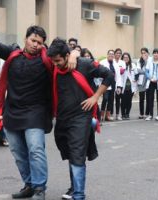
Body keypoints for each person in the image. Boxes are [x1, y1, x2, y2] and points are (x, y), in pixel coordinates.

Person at [0, 3, 79, 199]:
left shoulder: (47, 59)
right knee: (18, 151)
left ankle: (39, 188)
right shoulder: (13, 54)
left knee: (35, 149)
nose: (36, 44)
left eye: (39, 41)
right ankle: (29, 184)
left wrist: (74, 52)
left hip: (36, 112)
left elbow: (69, 53)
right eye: (33, 40)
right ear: (25, 39)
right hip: (12, 112)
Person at [47, 37, 114, 200]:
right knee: (70, 153)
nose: (55, 64)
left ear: (66, 55)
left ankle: (79, 195)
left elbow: (109, 75)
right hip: (63, 118)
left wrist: (95, 97)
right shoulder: (57, 66)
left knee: (77, 154)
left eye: (57, 61)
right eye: (53, 61)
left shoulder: (84, 64)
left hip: (81, 116)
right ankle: (74, 188)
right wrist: (74, 54)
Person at [99, 50, 122, 121]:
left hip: (113, 83)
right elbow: (99, 73)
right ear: (107, 54)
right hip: (105, 82)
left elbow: (118, 76)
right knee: (105, 98)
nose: (111, 55)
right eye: (110, 54)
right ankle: (101, 114)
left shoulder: (116, 64)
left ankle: (107, 115)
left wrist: (119, 86)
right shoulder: (102, 62)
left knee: (111, 99)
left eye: (112, 54)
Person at [145, 48, 158, 121]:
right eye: (155, 53)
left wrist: (157, 79)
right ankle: (150, 115)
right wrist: (150, 78)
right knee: (150, 99)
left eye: (157, 53)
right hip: (151, 81)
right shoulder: (149, 61)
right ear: (153, 54)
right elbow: (146, 71)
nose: (156, 54)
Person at [135, 47, 151, 119]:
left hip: (148, 80)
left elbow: (150, 69)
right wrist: (146, 71)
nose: (143, 54)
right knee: (141, 98)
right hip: (141, 80)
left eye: (145, 53)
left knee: (148, 98)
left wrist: (146, 61)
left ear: (148, 53)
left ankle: (147, 113)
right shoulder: (139, 60)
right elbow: (138, 70)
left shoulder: (151, 60)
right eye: (142, 53)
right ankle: (141, 113)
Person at [120, 53, 137, 120]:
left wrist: (135, 79)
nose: (126, 59)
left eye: (127, 57)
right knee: (123, 101)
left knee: (129, 101)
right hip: (123, 85)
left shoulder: (133, 65)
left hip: (130, 86)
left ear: (129, 58)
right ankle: (123, 114)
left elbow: (136, 74)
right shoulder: (121, 65)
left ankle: (127, 114)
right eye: (124, 57)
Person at [112, 48, 125, 120]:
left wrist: (117, 71)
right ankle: (110, 114)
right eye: (117, 53)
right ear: (114, 54)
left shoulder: (122, 62)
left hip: (119, 83)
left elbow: (122, 71)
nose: (118, 54)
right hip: (112, 82)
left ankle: (117, 114)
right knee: (111, 99)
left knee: (118, 99)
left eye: (119, 53)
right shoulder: (112, 61)